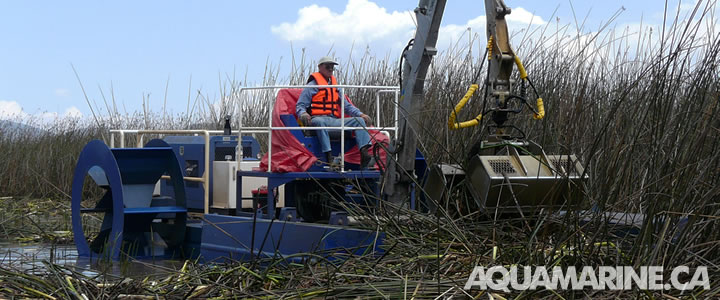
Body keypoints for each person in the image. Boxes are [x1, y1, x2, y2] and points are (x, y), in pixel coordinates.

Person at [296, 56, 373, 169]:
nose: (330, 68)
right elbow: (300, 105)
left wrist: (361, 114)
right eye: (327, 65)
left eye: (332, 66)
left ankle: (365, 153)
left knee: (359, 121)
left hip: (333, 121)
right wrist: (303, 114)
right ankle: (328, 156)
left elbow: (347, 106)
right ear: (320, 67)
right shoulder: (312, 86)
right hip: (317, 120)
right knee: (319, 122)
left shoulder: (336, 87)